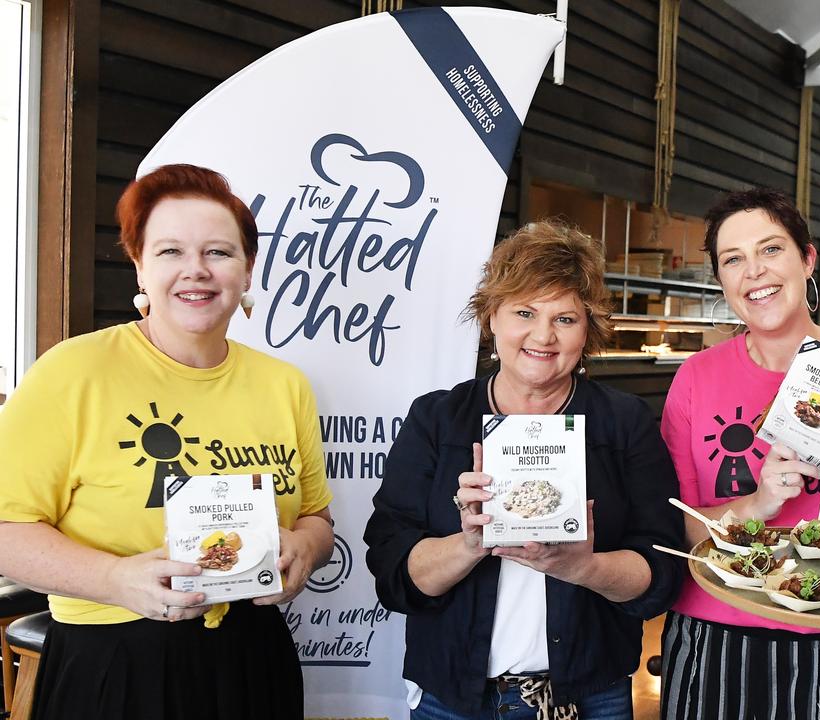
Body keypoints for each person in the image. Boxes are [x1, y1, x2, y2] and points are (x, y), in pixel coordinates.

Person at [0, 164, 335, 719]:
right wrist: (114, 578)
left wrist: (305, 549)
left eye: (219, 253)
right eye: (170, 251)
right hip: (116, 662)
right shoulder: (73, 373)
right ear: (139, 268)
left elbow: (318, 517)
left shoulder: (284, 384)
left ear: (248, 270)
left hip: (253, 657)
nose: (196, 271)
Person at [364, 221, 685, 720]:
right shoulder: (436, 419)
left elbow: (662, 569)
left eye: (565, 318)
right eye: (525, 312)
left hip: (587, 697)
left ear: (588, 330)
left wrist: (583, 567)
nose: (543, 335)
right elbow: (391, 570)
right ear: (492, 317)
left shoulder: (623, 423)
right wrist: (467, 545)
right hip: (452, 697)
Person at [659, 188, 820, 720]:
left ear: (807, 259)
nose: (754, 271)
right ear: (722, 280)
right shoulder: (695, 378)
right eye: (733, 259)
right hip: (714, 626)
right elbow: (677, 528)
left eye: (771, 249)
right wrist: (755, 506)